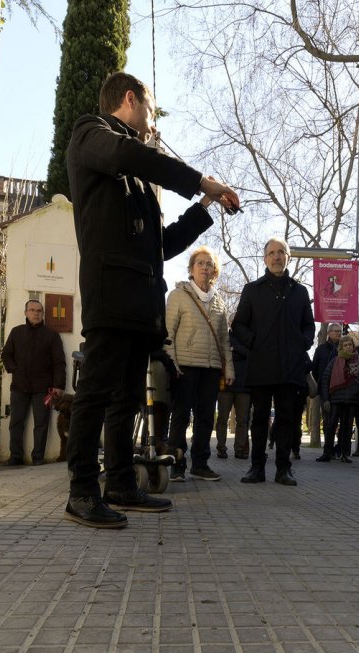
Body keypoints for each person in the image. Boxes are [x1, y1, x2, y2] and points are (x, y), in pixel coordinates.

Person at [62, 71, 238, 529]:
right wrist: (202, 181)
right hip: (111, 293)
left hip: (140, 303)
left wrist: (204, 209)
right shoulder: (91, 133)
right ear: (130, 99)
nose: (153, 119)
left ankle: (120, 484)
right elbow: (127, 153)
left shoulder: (137, 175)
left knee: (126, 400)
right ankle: (81, 491)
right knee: (97, 392)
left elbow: (159, 244)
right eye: (151, 108)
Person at [231, 238, 315, 486]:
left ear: (288, 257)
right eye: (272, 253)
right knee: (258, 420)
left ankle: (283, 469)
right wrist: (254, 342)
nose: (277, 257)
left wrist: (303, 342)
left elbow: (308, 325)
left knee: (287, 419)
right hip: (261, 366)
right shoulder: (252, 290)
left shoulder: (300, 291)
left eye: (282, 252)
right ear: (265, 259)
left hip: (290, 367)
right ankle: (256, 468)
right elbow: (238, 325)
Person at [165, 246, 234, 482]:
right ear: (191, 268)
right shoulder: (177, 295)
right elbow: (168, 333)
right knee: (181, 416)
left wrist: (229, 369)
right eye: (200, 263)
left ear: (215, 271)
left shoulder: (219, 302)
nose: (205, 267)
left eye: (209, 264)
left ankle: (201, 464)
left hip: (212, 368)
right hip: (184, 366)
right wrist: (171, 364)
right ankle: (177, 464)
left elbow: (225, 339)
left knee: (206, 418)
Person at [1, 300, 66, 466]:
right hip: (19, 386)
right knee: (16, 423)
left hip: (43, 389)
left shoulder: (52, 335)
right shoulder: (16, 332)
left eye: (39, 311)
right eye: (32, 310)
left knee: (41, 424)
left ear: (42, 314)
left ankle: (38, 458)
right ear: (25, 313)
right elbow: (6, 354)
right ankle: (15, 457)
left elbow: (59, 362)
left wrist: (59, 386)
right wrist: (14, 369)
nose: (36, 313)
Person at [318, 333, 359, 462]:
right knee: (331, 425)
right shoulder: (335, 361)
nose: (348, 347)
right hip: (336, 398)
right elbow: (325, 378)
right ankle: (327, 453)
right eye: (345, 345)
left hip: (352, 399)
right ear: (341, 347)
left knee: (347, 427)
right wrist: (326, 398)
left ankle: (345, 454)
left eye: (350, 344)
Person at [215, 329, 250, 460]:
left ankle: (240, 450)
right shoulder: (224, 337)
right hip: (226, 387)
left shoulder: (248, 338)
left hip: (244, 387)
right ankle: (221, 448)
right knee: (222, 419)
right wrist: (237, 351)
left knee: (242, 420)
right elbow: (222, 355)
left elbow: (249, 354)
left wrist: (233, 349)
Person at [312, 323, 343, 461]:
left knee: (342, 421)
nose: (338, 333)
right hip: (325, 391)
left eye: (340, 331)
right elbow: (315, 369)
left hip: (341, 391)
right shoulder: (321, 349)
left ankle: (340, 449)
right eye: (335, 331)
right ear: (329, 333)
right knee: (327, 421)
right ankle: (328, 450)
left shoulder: (344, 348)